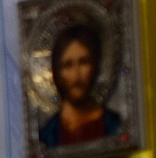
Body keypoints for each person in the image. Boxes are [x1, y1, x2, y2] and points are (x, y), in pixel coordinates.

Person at [38, 21, 124, 149]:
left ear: (95, 67)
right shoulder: (48, 136)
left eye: (83, 62)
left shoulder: (114, 126)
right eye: (68, 65)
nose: (76, 75)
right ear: (57, 72)